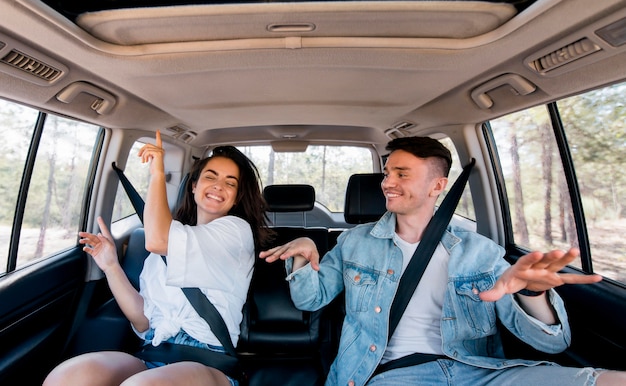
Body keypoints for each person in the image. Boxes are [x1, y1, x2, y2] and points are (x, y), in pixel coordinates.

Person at [260, 136, 626, 386]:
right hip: (393, 372)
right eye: (388, 172)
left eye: (402, 174)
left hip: (480, 372)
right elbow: (310, 300)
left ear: (438, 186)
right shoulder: (356, 243)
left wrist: (531, 293)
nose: (387, 182)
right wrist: (306, 254)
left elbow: (554, 345)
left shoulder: (480, 252)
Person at [44, 130, 273, 386]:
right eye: (210, 176)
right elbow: (143, 321)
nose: (219, 185)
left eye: (231, 183)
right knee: (67, 377)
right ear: (194, 185)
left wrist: (157, 174)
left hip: (208, 361)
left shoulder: (236, 232)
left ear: (236, 197)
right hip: (153, 350)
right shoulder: (167, 246)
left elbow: (157, 239)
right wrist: (110, 265)